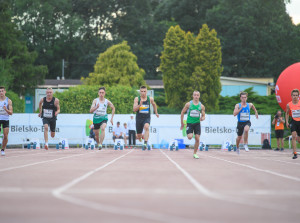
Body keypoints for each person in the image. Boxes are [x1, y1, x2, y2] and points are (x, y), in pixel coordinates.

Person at [180, 91, 205, 159]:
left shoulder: (201, 106)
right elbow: (182, 112)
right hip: (189, 123)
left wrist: (202, 118)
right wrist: (182, 123)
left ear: (199, 96)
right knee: (190, 137)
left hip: (197, 123)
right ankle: (190, 132)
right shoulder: (188, 104)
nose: (196, 96)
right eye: (195, 95)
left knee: (197, 138)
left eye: (197, 95)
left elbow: (203, 116)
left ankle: (195, 153)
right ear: (193, 96)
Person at [133, 86, 159, 150]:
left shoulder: (150, 99)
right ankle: (141, 136)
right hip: (139, 118)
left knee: (146, 127)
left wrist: (156, 112)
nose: (143, 93)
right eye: (142, 91)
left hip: (146, 117)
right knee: (138, 136)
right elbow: (134, 110)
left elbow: (154, 104)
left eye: (144, 91)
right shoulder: (137, 99)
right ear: (140, 92)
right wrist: (140, 105)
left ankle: (145, 143)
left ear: (146, 92)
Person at [285, 89, 300, 159]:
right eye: (294, 95)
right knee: (294, 136)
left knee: (299, 140)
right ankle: (295, 153)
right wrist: (287, 121)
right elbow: (287, 113)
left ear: (298, 96)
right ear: (291, 96)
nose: (295, 97)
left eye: (296, 95)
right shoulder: (289, 104)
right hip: (293, 121)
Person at [0, 86, 13, 156]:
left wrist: (6, 109)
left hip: (5, 119)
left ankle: (2, 149)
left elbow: (11, 113)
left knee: (5, 136)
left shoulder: (8, 101)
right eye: (0, 91)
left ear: (5, 92)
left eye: (2, 91)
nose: (1, 92)